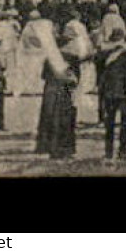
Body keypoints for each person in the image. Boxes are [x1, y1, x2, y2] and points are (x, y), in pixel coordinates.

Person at [33, 20, 79, 159]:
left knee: (51, 119)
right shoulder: (73, 57)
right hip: (64, 91)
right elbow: (76, 79)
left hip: (51, 91)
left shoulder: (51, 58)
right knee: (65, 120)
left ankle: (50, 148)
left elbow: (43, 76)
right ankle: (65, 149)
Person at [97, 36, 126, 160]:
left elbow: (98, 64)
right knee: (124, 124)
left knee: (110, 124)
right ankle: (122, 150)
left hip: (110, 93)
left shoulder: (106, 55)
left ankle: (109, 151)